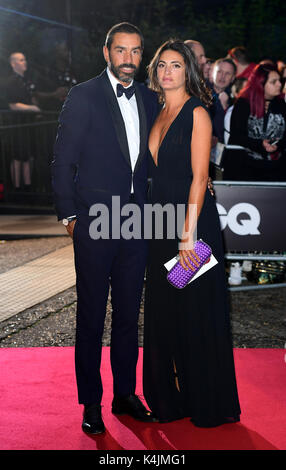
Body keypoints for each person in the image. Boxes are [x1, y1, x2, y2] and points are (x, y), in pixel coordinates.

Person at [51, 22, 159, 435]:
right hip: (94, 221)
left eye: (135, 51)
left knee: (130, 315)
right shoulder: (83, 95)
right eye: (121, 50)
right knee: (91, 316)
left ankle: (126, 394)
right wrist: (69, 217)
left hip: (136, 221)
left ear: (141, 54)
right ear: (106, 52)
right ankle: (91, 403)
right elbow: (62, 161)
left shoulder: (150, 97)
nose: (128, 58)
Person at [143, 39, 241, 427]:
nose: (168, 71)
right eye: (162, 65)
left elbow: (201, 177)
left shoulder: (197, 112)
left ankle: (206, 402)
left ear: (189, 71)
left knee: (196, 312)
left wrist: (188, 235)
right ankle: (168, 400)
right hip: (158, 223)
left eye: (176, 65)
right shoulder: (155, 110)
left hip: (192, 227)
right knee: (165, 314)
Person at [222, 63, 286, 181]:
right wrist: (260, 144)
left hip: (276, 170)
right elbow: (237, 136)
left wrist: (278, 145)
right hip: (246, 170)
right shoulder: (244, 104)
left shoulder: (281, 104)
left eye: (279, 80)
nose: (279, 84)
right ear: (260, 84)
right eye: (273, 82)